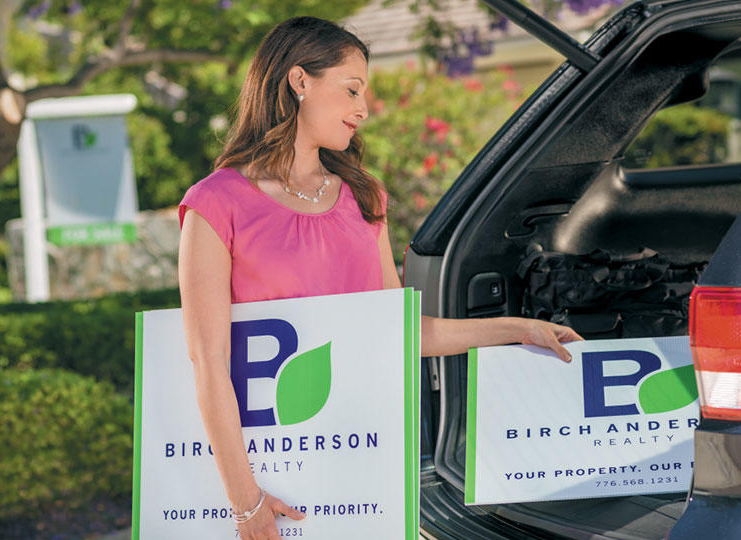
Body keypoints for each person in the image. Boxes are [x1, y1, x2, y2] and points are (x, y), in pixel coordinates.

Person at [177, 16, 583, 540]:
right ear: (299, 81)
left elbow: (400, 333)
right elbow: (208, 361)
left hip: (365, 460)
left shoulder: (362, 197)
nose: (362, 110)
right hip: (269, 469)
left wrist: (520, 330)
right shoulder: (215, 203)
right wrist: (245, 501)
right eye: (351, 89)